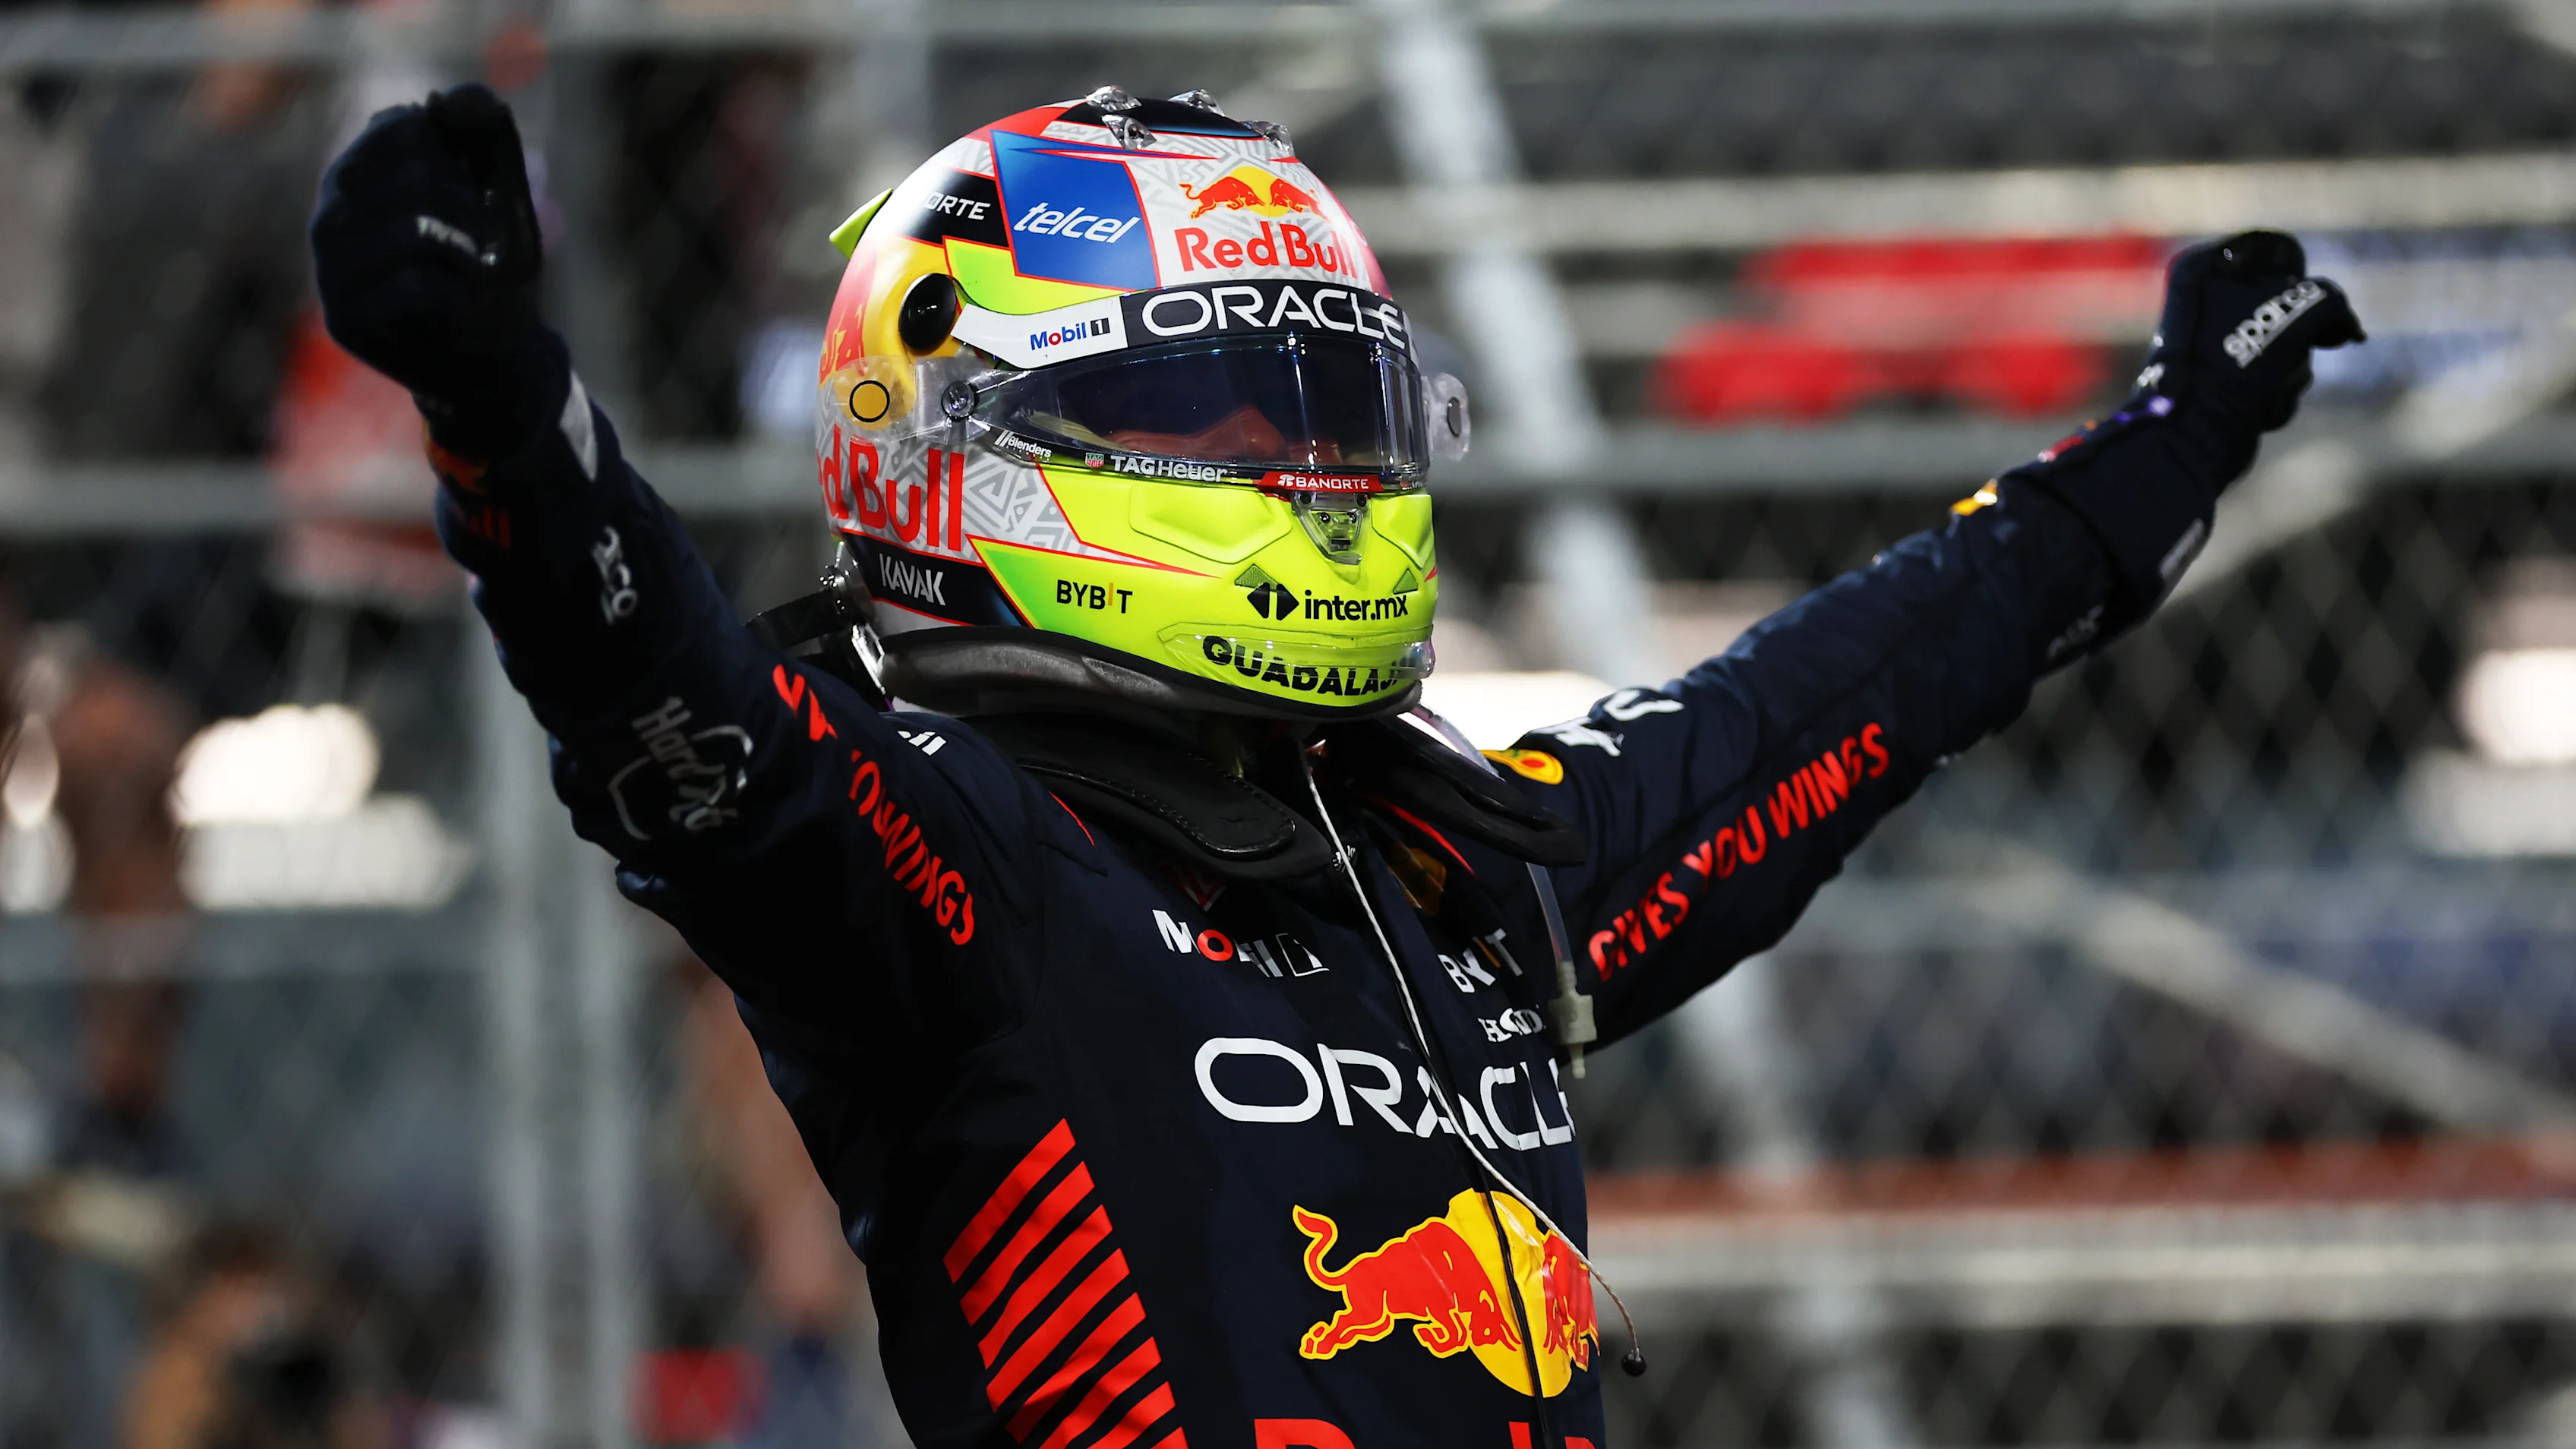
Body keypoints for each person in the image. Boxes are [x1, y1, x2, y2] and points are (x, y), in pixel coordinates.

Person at [308, 84, 2361, 1449]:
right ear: (982, 440)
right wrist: (501, 405)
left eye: (1330, 401)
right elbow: (673, 723)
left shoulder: (1447, 858)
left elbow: (1827, 705)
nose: (1306, 471)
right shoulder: (950, 838)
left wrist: (2157, 454)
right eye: (1220, 412)